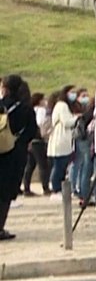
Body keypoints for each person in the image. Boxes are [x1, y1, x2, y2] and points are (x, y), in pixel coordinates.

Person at [0, 75, 36, 240]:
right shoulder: (27, 108)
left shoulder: (2, 105)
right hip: (16, 155)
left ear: (5, 89)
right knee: (6, 194)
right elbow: (32, 131)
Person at [47, 86, 78, 198]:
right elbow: (66, 122)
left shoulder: (61, 105)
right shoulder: (62, 105)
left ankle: (56, 187)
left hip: (61, 139)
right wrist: (77, 118)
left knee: (60, 164)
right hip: (61, 138)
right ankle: (56, 188)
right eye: (72, 92)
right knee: (59, 165)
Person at [23, 92, 50, 196]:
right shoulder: (41, 110)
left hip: (31, 140)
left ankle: (26, 187)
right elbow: (40, 123)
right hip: (38, 140)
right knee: (42, 164)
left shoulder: (30, 110)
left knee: (30, 165)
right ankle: (45, 187)